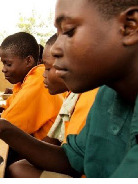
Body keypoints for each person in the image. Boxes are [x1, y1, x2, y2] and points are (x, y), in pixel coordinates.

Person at [0, 0, 138, 178]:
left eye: (69, 31)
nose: (55, 50)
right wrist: (2, 128)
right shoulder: (108, 94)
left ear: (129, 26)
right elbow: (71, 159)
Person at [7, 34, 98, 177]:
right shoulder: (73, 95)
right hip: (67, 159)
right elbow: (56, 142)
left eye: (48, 68)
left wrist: (1, 127)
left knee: (15, 167)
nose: (44, 74)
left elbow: (75, 163)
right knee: (17, 164)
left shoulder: (91, 97)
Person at [0, 32, 64, 140]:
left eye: (8, 64)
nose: (3, 69)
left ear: (28, 61)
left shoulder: (38, 79)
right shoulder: (24, 82)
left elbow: (6, 123)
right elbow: (8, 111)